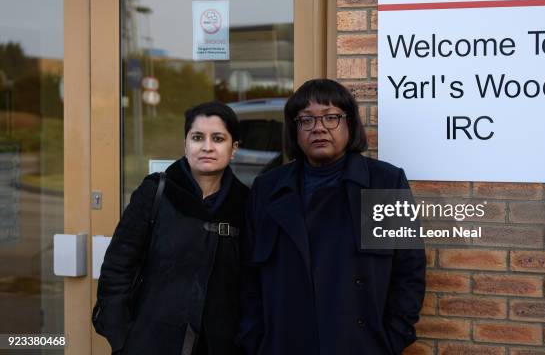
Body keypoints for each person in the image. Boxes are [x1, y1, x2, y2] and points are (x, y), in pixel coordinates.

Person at [238, 79, 426, 355]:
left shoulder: (382, 182)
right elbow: (248, 276)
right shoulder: (268, 188)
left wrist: (390, 339)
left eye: (331, 117)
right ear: (295, 129)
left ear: (349, 124)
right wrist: (255, 338)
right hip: (283, 343)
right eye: (306, 120)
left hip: (358, 344)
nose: (319, 128)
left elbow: (409, 271)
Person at [93, 102, 249, 355]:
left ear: (233, 149)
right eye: (197, 137)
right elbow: (117, 267)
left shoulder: (246, 203)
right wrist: (122, 336)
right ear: (185, 144)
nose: (207, 147)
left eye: (218, 138)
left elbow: (252, 282)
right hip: (149, 342)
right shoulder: (155, 192)